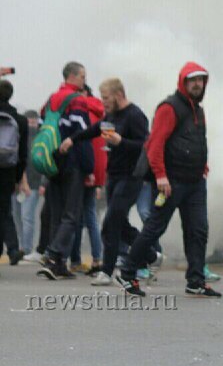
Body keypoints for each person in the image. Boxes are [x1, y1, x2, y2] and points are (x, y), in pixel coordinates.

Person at [117, 62, 220, 298]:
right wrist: (161, 175)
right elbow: (156, 144)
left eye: (201, 80)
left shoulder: (198, 109)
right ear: (183, 82)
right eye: (192, 80)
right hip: (171, 183)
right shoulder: (169, 107)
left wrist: (202, 165)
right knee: (154, 228)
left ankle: (196, 280)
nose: (197, 84)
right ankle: (127, 273)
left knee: (198, 230)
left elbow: (196, 141)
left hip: (195, 182)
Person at [60, 78, 150, 286]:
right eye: (102, 98)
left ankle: (107, 271)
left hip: (131, 176)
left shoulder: (135, 115)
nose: (103, 102)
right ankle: (151, 254)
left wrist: (121, 142)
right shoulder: (111, 115)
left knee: (109, 224)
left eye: (106, 98)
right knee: (119, 223)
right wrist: (73, 139)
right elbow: (96, 129)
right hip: (114, 175)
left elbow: (145, 146)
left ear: (119, 95)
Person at [37, 62, 94, 280]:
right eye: (82, 76)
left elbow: (43, 127)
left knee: (56, 215)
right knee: (72, 215)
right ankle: (53, 256)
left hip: (52, 163)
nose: (84, 81)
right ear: (72, 76)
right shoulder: (77, 100)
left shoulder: (51, 99)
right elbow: (83, 134)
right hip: (72, 163)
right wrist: (88, 168)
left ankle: (58, 265)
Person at [68, 85, 105, 274]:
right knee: (90, 215)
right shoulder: (101, 112)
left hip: (84, 167)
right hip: (98, 170)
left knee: (75, 215)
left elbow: (82, 142)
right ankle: (97, 258)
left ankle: (74, 259)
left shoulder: (81, 113)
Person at [0, 79, 28, 271]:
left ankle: (11, 249)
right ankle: (12, 249)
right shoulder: (20, 119)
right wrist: (18, 178)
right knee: (4, 211)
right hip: (8, 171)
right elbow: (23, 153)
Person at [19, 111, 45, 261]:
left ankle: (26, 248)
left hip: (32, 183)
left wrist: (42, 183)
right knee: (21, 218)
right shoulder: (23, 136)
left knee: (27, 217)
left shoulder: (38, 138)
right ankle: (23, 246)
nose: (31, 123)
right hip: (21, 183)